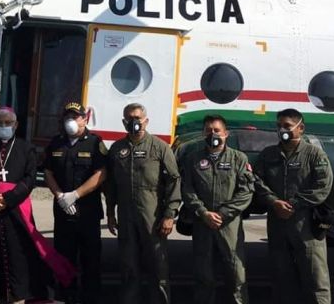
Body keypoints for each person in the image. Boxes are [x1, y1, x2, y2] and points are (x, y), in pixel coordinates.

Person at [0, 107, 76, 304]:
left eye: (7, 123)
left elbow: (29, 180)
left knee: (18, 254)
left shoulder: (25, 148)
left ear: (16, 125)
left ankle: (19, 296)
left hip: (15, 209)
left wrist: (8, 199)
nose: (3, 126)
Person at [253, 108, 334, 304]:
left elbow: (323, 187)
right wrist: (273, 202)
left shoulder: (315, 155)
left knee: (316, 280)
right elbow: (255, 180)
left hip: (306, 226)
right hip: (278, 225)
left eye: (287, 126)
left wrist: (293, 205)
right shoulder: (268, 154)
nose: (282, 130)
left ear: (301, 128)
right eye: (279, 126)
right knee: (282, 279)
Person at [105, 102, 181, 304]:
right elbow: (111, 183)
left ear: (146, 121)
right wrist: (110, 212)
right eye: (129, 118)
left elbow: (174, 180)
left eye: (137, 118)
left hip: (153, 217)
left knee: (158, 266)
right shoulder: (116, 149)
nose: (134, 122)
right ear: (124, 122)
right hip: (126, 216)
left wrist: (169, 215)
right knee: (129, 266)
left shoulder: (159, 147)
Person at [181, 115, 254, 304]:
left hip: (228, 225)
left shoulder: (238, 158)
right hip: (203, 223)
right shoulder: (193, 159)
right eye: (208, 130)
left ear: (226, 134)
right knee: (203, 274)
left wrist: (223, 214)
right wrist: (203, 212)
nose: (212, 134)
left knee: (236, 273)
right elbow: (187, 189)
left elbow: (246, 191)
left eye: (216, 130)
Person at [43, 102, 107, 304]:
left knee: (91, 261)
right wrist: (60, 196)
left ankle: (90, 298)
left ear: (85, 119)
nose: (71, 120)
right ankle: (66, 296)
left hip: (87, 213)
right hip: (63, 213)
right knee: (64, 259)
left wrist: (76, 195)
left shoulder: (95, 143)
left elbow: (101, 174)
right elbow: (48, 172)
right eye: (68, 116)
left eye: (76, 116)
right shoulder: (56, 143)